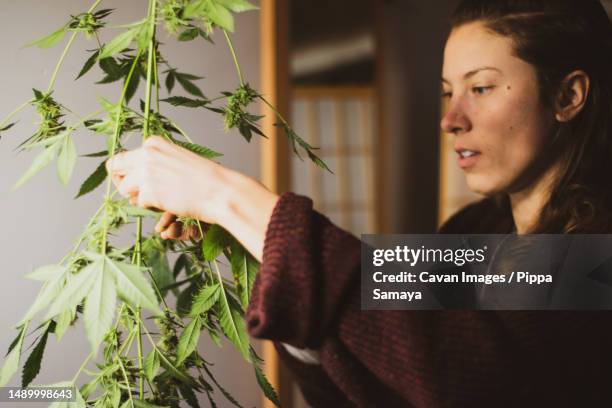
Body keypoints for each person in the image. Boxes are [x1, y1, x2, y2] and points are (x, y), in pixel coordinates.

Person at [106, 0, 612, 406]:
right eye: (446, 93)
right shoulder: (472, 231)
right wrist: (263, 251)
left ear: (568, 96)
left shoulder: (597, 255)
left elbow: (468, 379)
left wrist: (230, 198)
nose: (451, 119)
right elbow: (380, 380)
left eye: (480, 87)